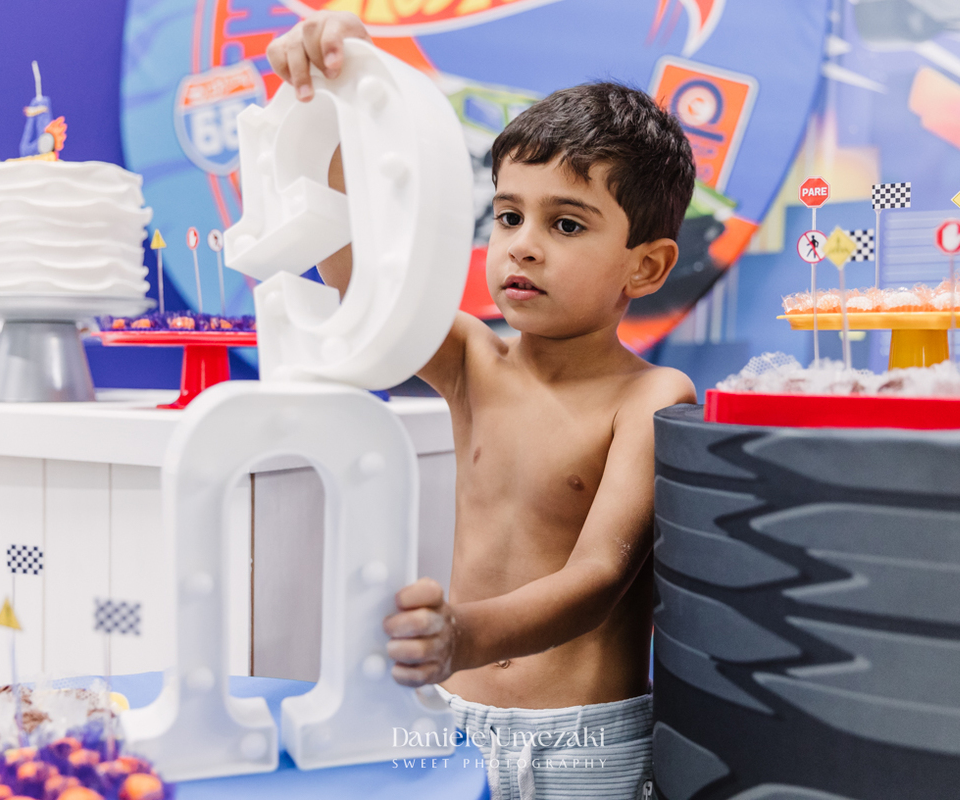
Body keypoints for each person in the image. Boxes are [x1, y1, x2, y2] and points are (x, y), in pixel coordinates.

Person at [268, 14, 698, 799]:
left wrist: (464, 632)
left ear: (646, 266)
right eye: (507, 215)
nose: (523, 244)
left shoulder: (651, 396)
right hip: (451, 716)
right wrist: (338, 96)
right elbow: (354, 274)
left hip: (581, 743)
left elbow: (600, 575)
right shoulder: (473, 359)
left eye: (565, 223)